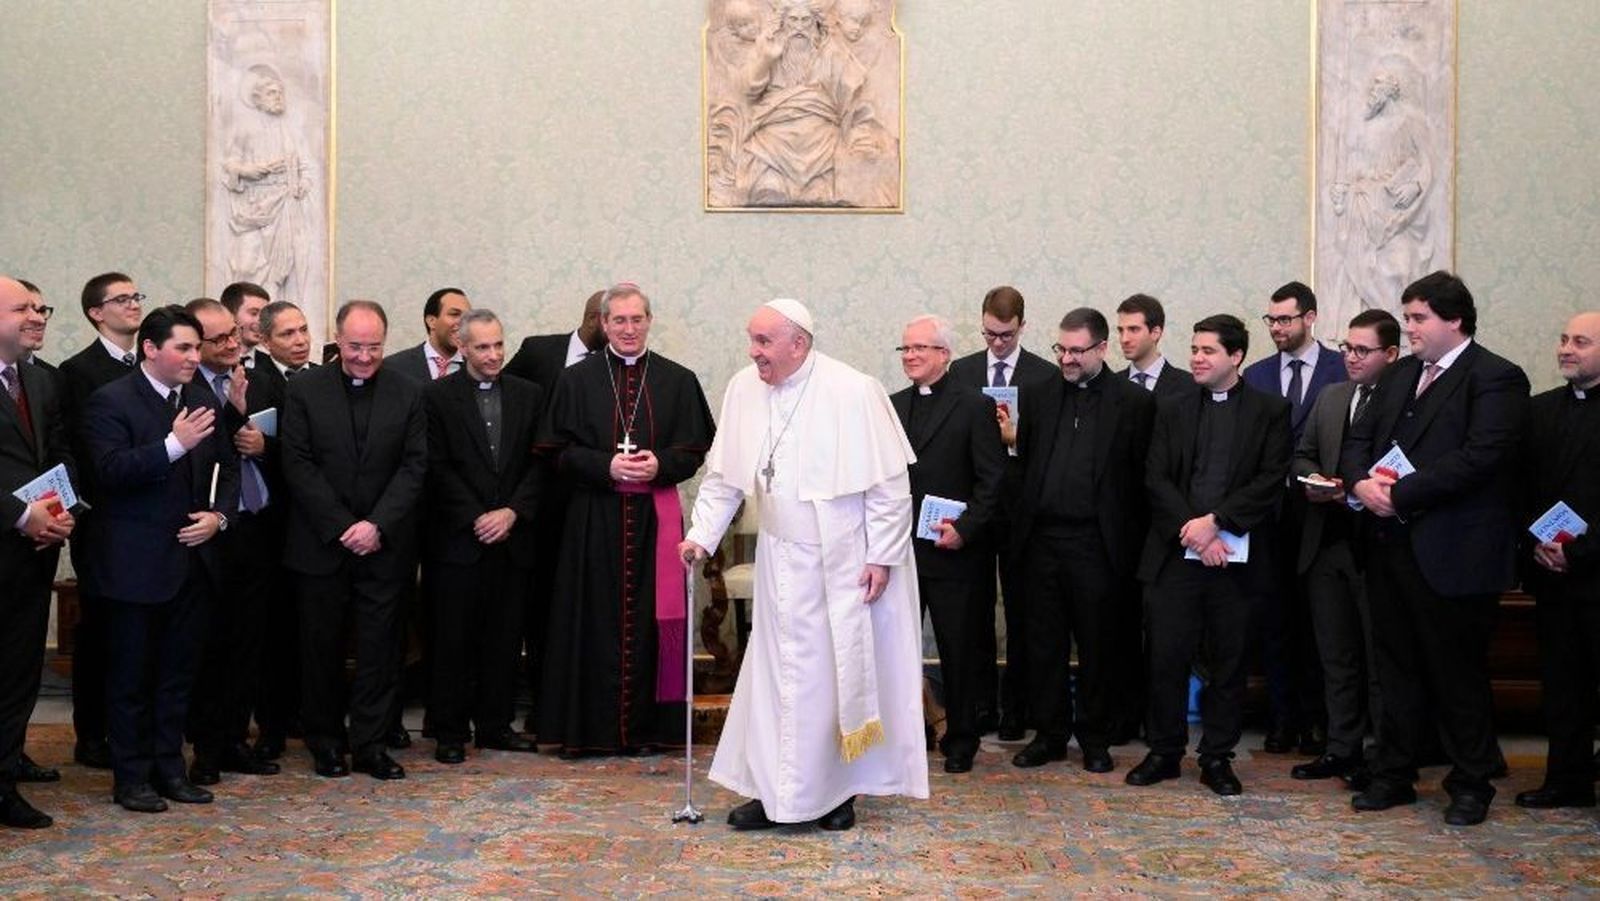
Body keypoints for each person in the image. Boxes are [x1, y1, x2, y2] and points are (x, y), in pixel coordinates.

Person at [679, 298, 928, 831]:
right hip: (777, 557)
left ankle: (835, 795)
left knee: (829, 680)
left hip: (841, 559)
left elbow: (890, 486)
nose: (753, 352)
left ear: (799, 343)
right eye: (752, 339)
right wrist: (700, 534)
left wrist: (882, 556)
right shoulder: (744, 388)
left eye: (763, 341)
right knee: (776, 677)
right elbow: (724, 477)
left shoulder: (853, 390)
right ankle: (774, 794)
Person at [1342, 271, 1530, 827]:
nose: (1410, 328)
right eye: (1407, 317)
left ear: (1455, 320)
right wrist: (1359, 484)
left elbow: (1482, 457)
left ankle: (1471, 782)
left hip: (1455, 554)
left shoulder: (1496, 377)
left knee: (1457, 674)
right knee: (1395, 669)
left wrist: (1398, 494)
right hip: (1389, 546)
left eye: (1419, 317)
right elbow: (1358, 438)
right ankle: (1394, 774)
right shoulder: (1400, 373)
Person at [535, 283, 714, 757]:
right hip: (593, 521)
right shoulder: (576, 380)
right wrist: (605, 465)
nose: (629, 329)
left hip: (656, 522)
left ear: (649, 321)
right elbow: (555, 452)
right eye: (619, 320)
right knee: (591, 621)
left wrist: (662, 465)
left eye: (637, 319)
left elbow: (694, 449)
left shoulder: (678, 380)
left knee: (654, 624)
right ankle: (590, 732)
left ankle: (649, 731)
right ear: (603, 323)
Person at [82, 305, 240, 813]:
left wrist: (219, 516)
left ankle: (171, 770)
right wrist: (173, 445)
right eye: (184, 348)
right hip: (133, 567)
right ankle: (131, 779)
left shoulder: (201, 398)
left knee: (177, 678)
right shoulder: (111, 400)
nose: (195, 357)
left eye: (197, 347)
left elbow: (228, 468)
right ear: (151, 349)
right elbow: (108, 471)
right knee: (131, 679)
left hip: (192, 564)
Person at [1127, 314, 1291, 797]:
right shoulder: (1172, 406)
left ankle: (1217, 757)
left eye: (1208, 351)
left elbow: (1270, 480)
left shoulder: (1270, 411)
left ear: (1235, 356)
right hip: (1176, 554)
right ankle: (1164, 751)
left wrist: (1217, 522)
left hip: (1235, 560)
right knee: (1166, 658)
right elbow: (1156, 477)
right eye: (1195, 349)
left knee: (1228, 664)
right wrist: (1196, 533)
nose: (1197, 358)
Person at [280, 300, 427, 781]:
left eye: (374, 347)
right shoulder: (304, 389)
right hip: (321, 544)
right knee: (319, 649)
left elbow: (414, 466)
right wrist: (343, 525)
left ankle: (371, 745)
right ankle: (324, 742)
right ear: (338, 340)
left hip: (384, 546)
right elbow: (297, 463)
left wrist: (375, 524)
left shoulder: (408, 391)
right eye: (356, 346)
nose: (365, 357)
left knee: (381, 651)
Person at [1011, 308, 1155, 774]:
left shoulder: (1133, 402)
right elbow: (1027, 464)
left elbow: (1140, 482)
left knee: (1098, 645)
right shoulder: (1038, 395)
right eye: (1062, 349)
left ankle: (1095, 738)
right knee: (1044, 644)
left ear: (1101, 348)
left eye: (1077, 351)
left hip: (1098, 544)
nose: (1067, 359)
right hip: (1042, 541)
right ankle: (1049, 735)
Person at [423, 309, 544, 763]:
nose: (493, 355)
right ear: (462, 347)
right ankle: (450, 732)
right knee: (452, 639)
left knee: (505, 638)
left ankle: (495, 726)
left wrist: (512, 512)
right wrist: (477, 516)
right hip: (459, 540)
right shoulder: (436, 397)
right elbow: (435, 466)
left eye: (498, 345)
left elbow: (540, 463)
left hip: (513, 539)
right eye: (482, 347)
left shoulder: (530, 395)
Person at [1289, 309, 1401, 787]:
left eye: (1362, 350)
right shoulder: (1333, 396)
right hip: (1326, 542)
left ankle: (1385, 756)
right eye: (1346, 348)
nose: (1350, 358)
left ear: (1390, 354)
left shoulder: (1405, 400)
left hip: (1379, 546)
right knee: (1336, 656)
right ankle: (1341, 748)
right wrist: (1315, 479)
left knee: (1381, 661)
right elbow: (1302, 454)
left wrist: (1355, 490)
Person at [888, 314, 1003, 774]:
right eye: (906, 348)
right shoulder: (892, 406)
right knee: (896, 648)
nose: (911, 356)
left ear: (944, 354)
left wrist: (965, 529)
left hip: (954, 551)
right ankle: (903, 735)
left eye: (920, 348)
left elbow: (992, 481)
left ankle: (961, 739)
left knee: (959, 649)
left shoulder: (975, 406)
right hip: (901, 550)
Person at [1243, 281, 1347, 756]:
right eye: (1271, 320)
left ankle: (1318, 721)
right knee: (1274, 622)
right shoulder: (1257, 374)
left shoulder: (1339, 369)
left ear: (1310, 317)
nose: (1277, 328)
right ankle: (1282, 719)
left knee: (1320, 624)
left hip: (1323, 519)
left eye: (1285, 319)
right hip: (1268, 519)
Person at [947, 285, 1055, 740]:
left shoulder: (1044, 376)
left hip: (1022, 508)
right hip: (975, 507)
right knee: (973, 612)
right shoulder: (962, 371)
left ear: (1022, 327)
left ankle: (1017, 707)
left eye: (1006, 335)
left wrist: (1017, 436)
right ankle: (980, 704)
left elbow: (1051, 449)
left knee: (1022, 610)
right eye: (989, 334)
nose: (997, 343)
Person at [182, 299, 281, 785]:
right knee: (209, 645)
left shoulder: (260, 379)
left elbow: (293, 444)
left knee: (247, 643)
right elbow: (197, 454)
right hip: (209, 532)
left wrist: (265, 445)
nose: (231, 345)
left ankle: (236, 738)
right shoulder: (184, 387)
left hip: (256, 528)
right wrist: (232, 413)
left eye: (234, 336)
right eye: (219, 338)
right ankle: (205, 748)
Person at [504, 288, 604, 734]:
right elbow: (504, 399)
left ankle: (582, 702)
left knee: (587, 604)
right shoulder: (539, 351)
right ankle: (543, 703)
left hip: (594, 502)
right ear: (595, 319)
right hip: (540, 505)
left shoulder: (620, 366)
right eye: (613, 322)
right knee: (542, 604)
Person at [58, 272, 146, 771]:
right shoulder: (77, 371)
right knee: (98, 631)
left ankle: (132, 729)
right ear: (96, 312)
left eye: (136, 296)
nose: (133, 304)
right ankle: (91, 734)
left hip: (149, 519)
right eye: (122, 299)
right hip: (103, 519)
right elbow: (77, 448)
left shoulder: (150, 365)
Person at [0, 276, 76, 828]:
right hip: (10, 534)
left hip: (32, 556)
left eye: (40, 307)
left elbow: (58, 454)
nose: (37, 316)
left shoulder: (40, 380)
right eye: (22, 308)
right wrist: (21, 515)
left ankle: (4, 783)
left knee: (18, 672)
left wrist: (62, 508)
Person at [1516, 311, 1600, 810]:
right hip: (1551, 576)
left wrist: (1579, 552)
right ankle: (1567, 781)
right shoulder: (1539, 410)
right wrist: (1536, 542)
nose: (1566, 349)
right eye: (1564, 339)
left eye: (1581, 342)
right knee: (1563, 686)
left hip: (1596, 572)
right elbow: (1520, 486)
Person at [245, 301, 315, 761]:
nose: (300, 340)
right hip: (269, 528)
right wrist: (266, 446)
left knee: (310, 629)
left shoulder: (323, 378)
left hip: (315, 522)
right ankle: (271, 725)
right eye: (288, 334)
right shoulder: (252, 383)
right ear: (265, 340)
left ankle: (305, 715)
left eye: (303, 330)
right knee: (271, 632)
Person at [221, 64, 313, 304]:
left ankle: (279, 311)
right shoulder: (245, 129)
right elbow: (230, 164)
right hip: (257, 205)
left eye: (280, 92)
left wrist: (303, 182)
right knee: (250, 265)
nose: (278, 97)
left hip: (286, 205)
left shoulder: (290, 130)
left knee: (284, 266)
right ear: (257, 98)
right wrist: (249, 171)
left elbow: (305, 165)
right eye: (272, 93)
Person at [1115, 293, 1193, 400]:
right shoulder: (1109, 386)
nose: (1124, 339)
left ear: (1155, 333)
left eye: (1133, 329)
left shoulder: (1189, 386)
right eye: (1121, 330)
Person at [388, 288, 471, 383]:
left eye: (468, 316)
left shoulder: (477, 367)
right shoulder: (395, 367)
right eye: (454, 314)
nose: (463, 322)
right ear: (431, 321)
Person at [220, 282, 271, 367]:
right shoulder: (212, 362)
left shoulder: (272, 367)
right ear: (230, 314)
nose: (262, 321)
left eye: (264, 315)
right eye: (254, 313)